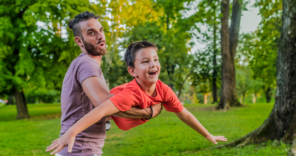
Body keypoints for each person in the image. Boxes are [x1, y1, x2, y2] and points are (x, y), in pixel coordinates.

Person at [46, 41, 228, 155]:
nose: (153, 64)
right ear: (132, 71)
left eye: (155, 59)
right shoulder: (129, 95)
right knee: (105, 111)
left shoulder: (164, 90)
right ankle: (105, 119)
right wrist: (72, 132)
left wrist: (207, 134)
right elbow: (101, 109)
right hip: (116, 102)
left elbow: (184, 114)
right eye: (145, 61)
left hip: (130, 104)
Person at [54, 11, 162, 156]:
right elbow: (104, 103)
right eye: (91, 33)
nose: (100, 36)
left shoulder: (87, 65)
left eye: (101, 30)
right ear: (79, 41)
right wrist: (148, 112)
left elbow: (99, 109)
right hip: (80, 150)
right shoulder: (87, 64)